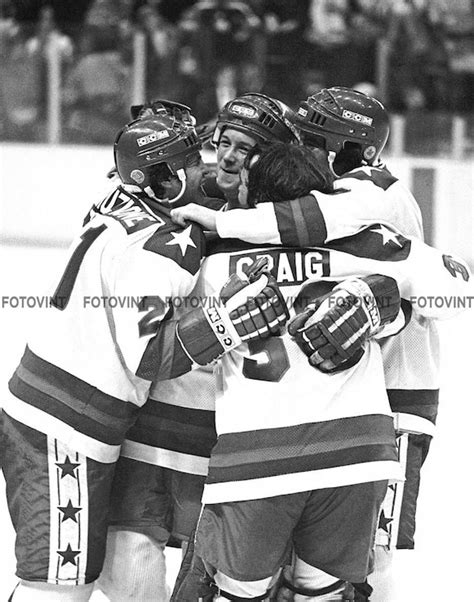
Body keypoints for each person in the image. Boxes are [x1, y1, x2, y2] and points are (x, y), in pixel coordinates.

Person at [1, 111, 289, 602]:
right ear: (159, 177)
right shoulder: (160, 250)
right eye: (184, 163)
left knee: (70, 576)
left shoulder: (116, 198)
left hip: (53, 409)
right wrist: (228, 321)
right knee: (57, 583)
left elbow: (163, 180)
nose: (200, 170)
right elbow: (148, 357)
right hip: (66, 426)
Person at [172, 140, 470, 601]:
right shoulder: (374, 245)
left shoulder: (211, 260)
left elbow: (167, 350)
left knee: (237, 594)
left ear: (259, 198)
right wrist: (389, 308)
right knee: (322, 593)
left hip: (256, 460)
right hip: (355, 455)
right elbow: (456, 292)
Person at [94, 92, 301, 601]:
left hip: (239, 434)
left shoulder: (297, 224)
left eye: (246, 149)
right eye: (223, 142)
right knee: (128, 550)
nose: (228, 157)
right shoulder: (183, 202)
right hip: (161, 417)